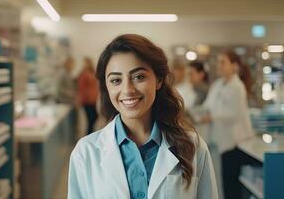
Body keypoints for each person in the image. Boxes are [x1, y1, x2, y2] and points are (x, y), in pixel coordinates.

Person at [68, 34, 218, 199]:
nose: (127, 90)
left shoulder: (193, 147)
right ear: (107, 87)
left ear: (159, 80)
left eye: (139, 77)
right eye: (116, 80)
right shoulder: (85, 152)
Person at [200, 50, 254, 199]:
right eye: (218, 62)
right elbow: (208, 105)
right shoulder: (218, 84)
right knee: (223, 181)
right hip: (220, 142)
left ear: (234, 66)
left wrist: (212, 117)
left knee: (231, 185)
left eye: (223, 62)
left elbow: (234, 113)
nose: (219, 65)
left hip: (235, 143)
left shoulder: (237, 87)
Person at [77, 57, 99, 135]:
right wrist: (82, 99)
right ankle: (88, 135)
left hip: (93, 100)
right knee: (91, 118)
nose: (84, 65)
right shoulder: (83, 74)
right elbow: (81, 88)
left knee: (95, 117)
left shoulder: (92, 72)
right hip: (87, 100)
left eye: (85, 63)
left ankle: (91, 134)